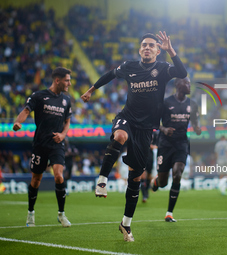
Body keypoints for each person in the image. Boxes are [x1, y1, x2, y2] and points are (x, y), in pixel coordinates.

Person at [81, 32, 187, 241]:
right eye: (144, 45)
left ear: (157, 50)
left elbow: (182, 72)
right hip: (127, 117)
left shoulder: (164, 68)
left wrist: (171, 51)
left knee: (136, 177)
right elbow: (111, 75)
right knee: (120, 136)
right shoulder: (129, 66)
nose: (147, 48)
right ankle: (102, 180)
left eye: (151, 45)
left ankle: (126, 224)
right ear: (140, 50)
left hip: (146, 128)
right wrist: (92, 89)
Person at [12, 67, 72, 227]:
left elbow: (68, 121)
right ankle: (31, 213)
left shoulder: (67, 100)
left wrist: (63, 135)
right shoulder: (39, 96)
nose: (69, 83)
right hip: (40, 144)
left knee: (59, 175)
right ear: (57, 80)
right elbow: (26, 110)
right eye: (67, 80)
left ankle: (61, 214)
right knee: (36, 179)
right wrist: (18, 122)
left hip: (57, 144)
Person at [151, 77, 201, 222]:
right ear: (178, 85)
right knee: (163, 183)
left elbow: (195, 121)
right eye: (187, 84)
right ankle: (156, 182)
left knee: (178, 173)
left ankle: (169, 213)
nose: (189, 86)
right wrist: (164, 129)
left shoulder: (193, 104)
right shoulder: (166, 102)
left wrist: (197, 128)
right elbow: (154, 122)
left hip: (181, 144)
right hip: (165, 144)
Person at [141, 130, 159, 203]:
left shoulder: (155, 134)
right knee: (143, 176)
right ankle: (144, 195)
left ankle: (146, 190)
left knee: (148, 176)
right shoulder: (142, 131)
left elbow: (158, 145)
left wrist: (153, 146)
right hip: (143, 154)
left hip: (150, 156)